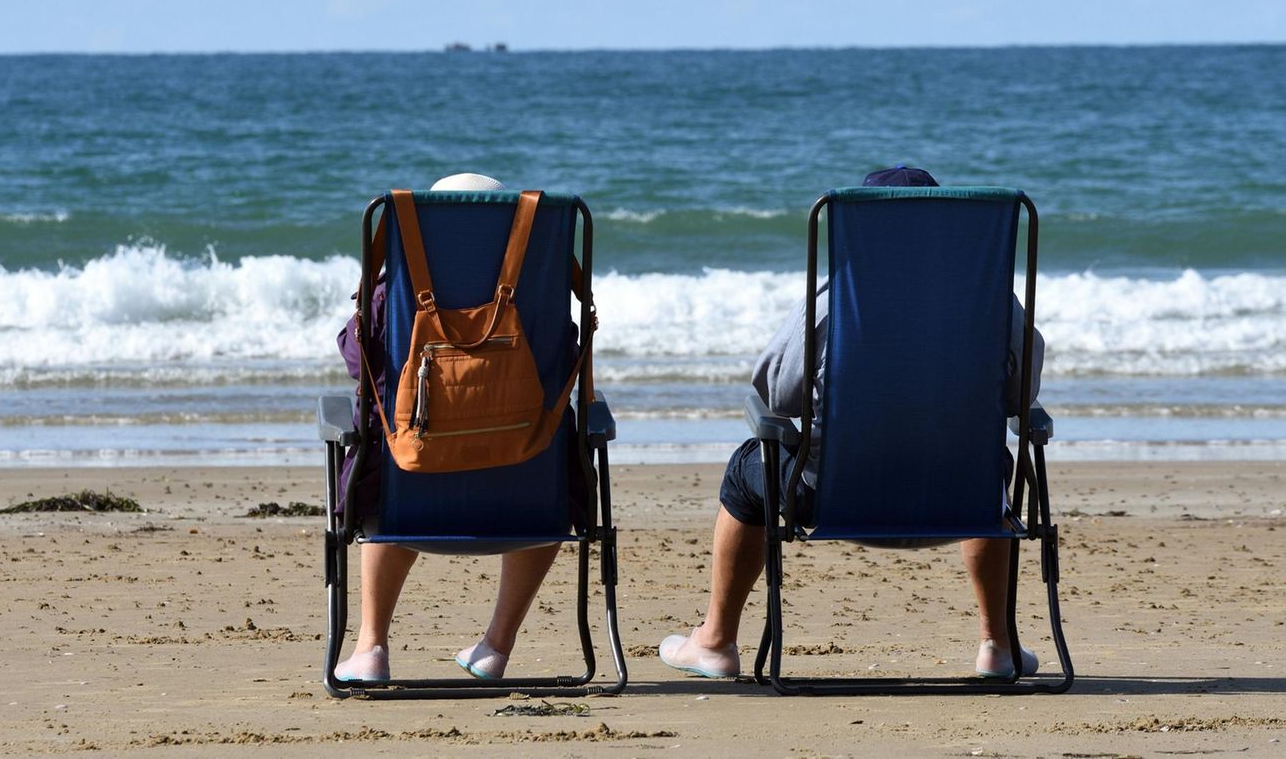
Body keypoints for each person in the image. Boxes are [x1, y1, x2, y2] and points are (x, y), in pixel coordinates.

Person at [658, 165, 1047, 680]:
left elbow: (777, 393)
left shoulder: (835, 300)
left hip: (832, 495)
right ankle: (997, 646)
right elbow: (1025, 395)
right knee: (987, 462)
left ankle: (714, 642)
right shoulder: (991, 304)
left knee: (746, 467)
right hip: (963, 495)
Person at [333, 172, 561, 683]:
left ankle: (371, 648)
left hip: (414, 491)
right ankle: (496, 647)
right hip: (528, 494)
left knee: (387, 443)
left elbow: (356, 358)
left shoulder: (396, 294)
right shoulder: (541, 293)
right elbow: (563, 353)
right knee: (559, 445)